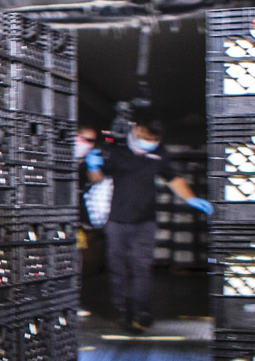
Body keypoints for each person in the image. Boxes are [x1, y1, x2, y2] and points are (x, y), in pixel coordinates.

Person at [84, 118, 211, 332]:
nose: (149, 143)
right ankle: (123, 310)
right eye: (145, 138)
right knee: (118, 268)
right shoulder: (117, 150)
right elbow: (97, 179)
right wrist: (92, 166)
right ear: (135, 130)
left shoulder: (159, 153)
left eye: (154, 140)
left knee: (142, 267)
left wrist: (190, 198)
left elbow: (173, 178)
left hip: (145, 221)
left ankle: (141, 309)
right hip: (116, 221)